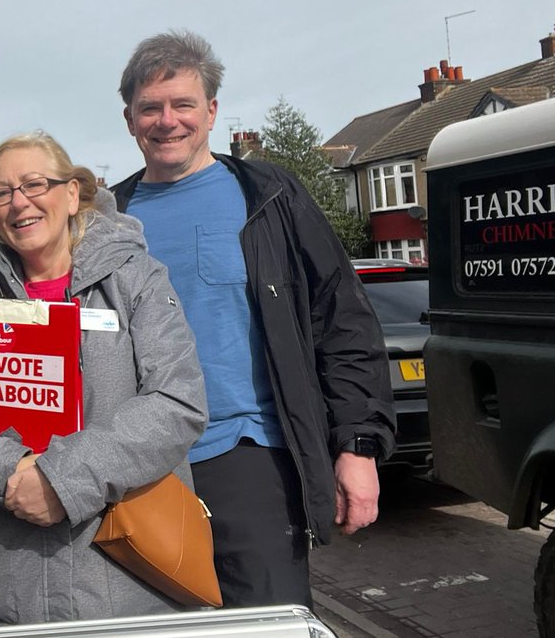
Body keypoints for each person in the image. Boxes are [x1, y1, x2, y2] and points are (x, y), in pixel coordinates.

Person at [111, 30, 396, 608]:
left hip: (249, 455)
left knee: (267, 621)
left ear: (211, 111)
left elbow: (341, 319)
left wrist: (358, 446)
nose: (167, 121)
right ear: (129, 119)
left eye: (182, 104)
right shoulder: (107, 219)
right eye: (150, 108)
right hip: (136, 466)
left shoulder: (269, 197)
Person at [0, 131, 207, 626]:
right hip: (7, 576)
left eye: (34, 184)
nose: (19, 202)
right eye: (1, 192)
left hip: (126, 574)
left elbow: (177, 401)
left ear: (72, 193)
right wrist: (6, 470)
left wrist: (62, 480)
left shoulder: (136, 279)